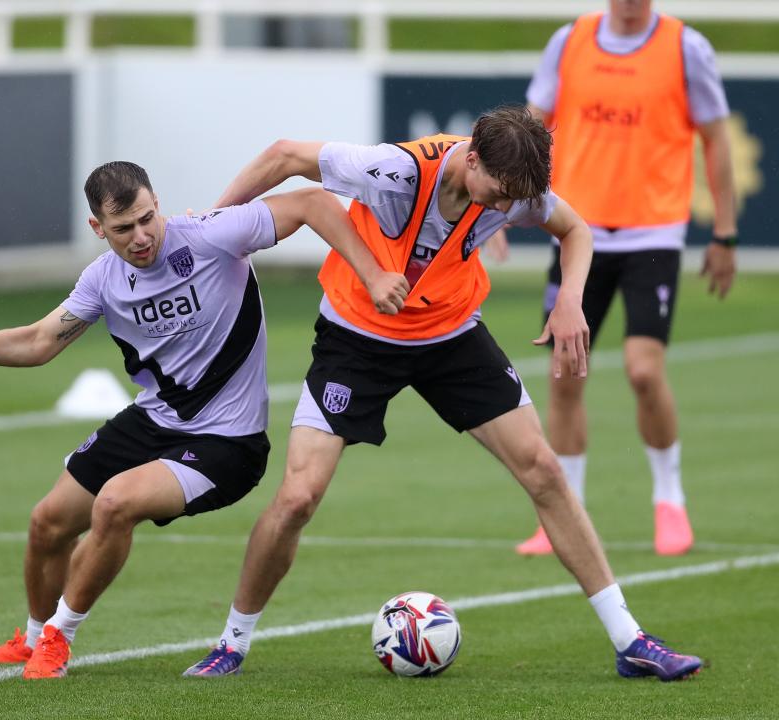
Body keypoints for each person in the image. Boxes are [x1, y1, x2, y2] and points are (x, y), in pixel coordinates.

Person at [183, 105, 702, 681]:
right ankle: (232, 642)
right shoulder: (395, 172)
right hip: (357, 338)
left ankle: (630, 639)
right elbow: (285, 155)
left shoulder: (516, 189)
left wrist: (571, 300)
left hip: (450, 336)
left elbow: (574, 231)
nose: (507, 208)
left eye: (516, 199)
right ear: (472, 160)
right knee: (298, 498)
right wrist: (210, 227)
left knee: (544, 470)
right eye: (500, 193)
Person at [0, 161, 407, 679]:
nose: (142, 236)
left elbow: (311, 203)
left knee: (116, 503)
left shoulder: (213, 236)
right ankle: (33, 638)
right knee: (48, 522)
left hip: (227, 442)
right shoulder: (103, 279)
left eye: (148, 218)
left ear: (157, 203)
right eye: (124, 228)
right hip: (154, 422)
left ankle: (59, 639)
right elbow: (39, 342)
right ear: (97, 229)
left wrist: (371, 274)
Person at [513, 0, 738, 557]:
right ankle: (563, 516)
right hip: (576, 231)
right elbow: (529, 130)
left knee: (643, 370)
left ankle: (669, 498)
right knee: (566, 373)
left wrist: (725, 233)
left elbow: (717, 139)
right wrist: (499, 208)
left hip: (652, 234)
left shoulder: (686, 47)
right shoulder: (570, 41)